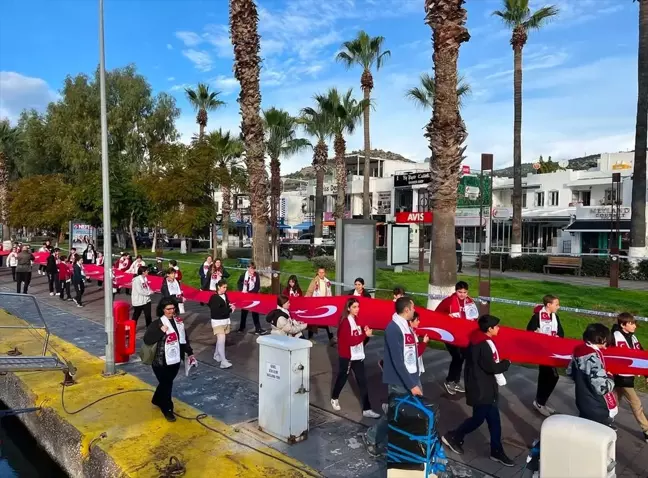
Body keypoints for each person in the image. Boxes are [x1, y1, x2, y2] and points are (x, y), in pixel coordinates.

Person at [442, 315, 514, 467]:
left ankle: (496, 450)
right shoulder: (484, 345)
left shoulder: (476, 341)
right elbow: (492, 367)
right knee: (478, 419)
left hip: (482, 387)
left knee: (494, 421)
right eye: (496, 326)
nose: (499, 329)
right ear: (489, 329)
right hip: (482, 390)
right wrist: (506, 363)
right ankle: (454, 436)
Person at [364, 297, 420, 456]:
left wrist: (415, 378)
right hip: (399, 381)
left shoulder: (406, 327)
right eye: (413, 307)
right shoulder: (393, 329)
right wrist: (412, 384)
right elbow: (397, 360)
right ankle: (372, 436)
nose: (415, 310)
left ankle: (403, 443)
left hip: (411, 378)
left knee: (405, 412)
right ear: (407, 310)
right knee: (394, 413)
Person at [143, 298, 196, 422]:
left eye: (173, 308)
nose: (171, 311)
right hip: (160, 360)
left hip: (175, 359)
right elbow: (147, 339)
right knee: (167, 384)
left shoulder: (179, 322)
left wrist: (190, 353)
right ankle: (167, 409)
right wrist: (160, 332)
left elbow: (184, 340)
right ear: (162, 310)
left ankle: (156, 399)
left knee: (166, 383)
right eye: (168, 309)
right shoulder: (157, 324)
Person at [330, 298, 380, 418]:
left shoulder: (357, 320)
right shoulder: (345, 322)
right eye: (354, 307)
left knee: (362, 381)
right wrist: (364, 335)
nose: (357, 309)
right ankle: (334, 397)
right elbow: (351, 341)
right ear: (348, 308)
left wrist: (366, 335)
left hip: (358, 356)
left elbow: (360, 341)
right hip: (347, 357)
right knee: (342, 378)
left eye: (358, 307)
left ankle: (367, 409)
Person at [567, 323, 617, 429]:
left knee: (584, 426)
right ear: (602, 338)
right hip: (596, 405)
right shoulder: (593, 357)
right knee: (594, 432)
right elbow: (601, 388)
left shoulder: (579, 349)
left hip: (582, 398)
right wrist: (610, 377)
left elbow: (570, 372)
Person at [435, 281, 478, 395]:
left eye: (464, 292)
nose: (462, 294)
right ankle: (449, 381)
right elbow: (436, 314)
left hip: (464, 334)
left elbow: (474, 317)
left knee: (462, 357)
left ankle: (455, 381)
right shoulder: (448, 301)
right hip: (450, 334)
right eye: (460, 292)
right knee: (457, 356)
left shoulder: (470, 302)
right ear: (456, 291)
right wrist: (446, 316)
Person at [611, 313, 648, 441]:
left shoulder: (633, 338)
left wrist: (646, 373)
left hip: (628, 376)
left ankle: (603, 420)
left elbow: (641, 355)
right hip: (620, 377)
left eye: (634, 323)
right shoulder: (614, 337)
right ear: (622, 325)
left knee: (614, 400)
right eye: (631, 323)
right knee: (636, 403)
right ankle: (646, 430)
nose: (634, 326)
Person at [526, 295, 565, 417]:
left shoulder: (555, 317)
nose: (558, 307)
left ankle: (540, 402)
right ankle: (539, 402)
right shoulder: (537, 317)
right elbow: (529, 332)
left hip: (552, 350)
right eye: (556, 304)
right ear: (549, 305)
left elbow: (561, 333)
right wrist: (536, 334)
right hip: (541, 352)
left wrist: (557, 337)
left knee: (547, 376)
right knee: (552, 376)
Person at [208, 280, 235, 369]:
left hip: (225, 321)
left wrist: (230, 305)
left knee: (220, 340)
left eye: (226, 287)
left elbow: (226, 304)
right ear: (219, 287)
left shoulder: (225, 295)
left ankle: (216, 355)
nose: (225, 289)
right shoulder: (214, 298)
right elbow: (218, 311)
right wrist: (230, 309)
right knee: (221, 340)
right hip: (217, 322)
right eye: (224, 287)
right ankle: (223, 361)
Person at [305, 267, 336, 345]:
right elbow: (309, 291)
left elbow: (329, 293)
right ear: (317, 273)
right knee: (312, 321)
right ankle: (310, 337)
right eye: (320, 272)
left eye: (323, 272)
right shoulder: (314, 281)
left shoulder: (327, 281)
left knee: (327, 321)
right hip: (315, 304)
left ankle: (331, 338)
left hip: (324, 304)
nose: (321, 274)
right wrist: (305, 301)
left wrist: (331, 303)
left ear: (325, 273)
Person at [236, 262, 266, 335]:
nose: (252, 270)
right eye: (251, 268)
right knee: (244, 312)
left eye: (254, 268)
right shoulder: (244, 275)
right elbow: (239, 283)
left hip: (253, 296)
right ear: (248, 268)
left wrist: (251, 293)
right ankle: (241, 327)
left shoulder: (256, 276)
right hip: (245, 296)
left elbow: (257, 286)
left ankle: (258, 328)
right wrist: (242, 290)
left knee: (255, 312)